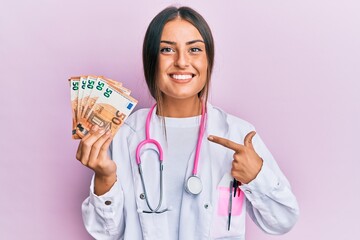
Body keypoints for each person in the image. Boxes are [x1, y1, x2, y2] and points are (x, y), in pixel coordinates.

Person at [76, 6, 299, 240]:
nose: (182, 62)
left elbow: (282, 222)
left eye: (194, 49)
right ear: (151, 60)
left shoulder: (238, 134)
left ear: (208, 60)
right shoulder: (124, 135)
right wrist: (104, 178)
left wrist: (256, 177)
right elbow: (105, 234)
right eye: (166, 50)